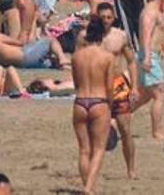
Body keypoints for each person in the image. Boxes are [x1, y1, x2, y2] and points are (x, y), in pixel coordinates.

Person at [78, 3, 139, 179]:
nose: (106, 21)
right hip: (97, 87)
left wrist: (134, 86)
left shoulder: (120, 36)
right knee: (93, 132)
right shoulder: (89, 37)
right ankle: (90, 171)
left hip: (118, 85)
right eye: (103, 17)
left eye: (109, 17)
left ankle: (131, 170)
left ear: (113, 18)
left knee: (125, 130)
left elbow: (131, 62)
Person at [71, 18, 114, 195]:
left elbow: (75, 83)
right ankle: (89, 188)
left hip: (80, 102)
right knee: (98, 149)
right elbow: (109, 87)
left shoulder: (76, 56)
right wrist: (110, 107)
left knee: (83, 149)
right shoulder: (107, 57)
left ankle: (87, 186)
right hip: (99, 101)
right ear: (102, 35)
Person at [133, 0, 164, 140]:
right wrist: (147, 57)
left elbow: (160, 33)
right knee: (159, 93)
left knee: (145, 95)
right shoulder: (149, 12)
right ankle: (157, 131)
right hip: (148, 56)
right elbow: (146, 36)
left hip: (152, 55)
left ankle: (115, 116)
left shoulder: (157, 11)